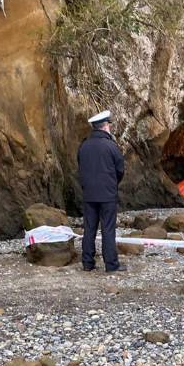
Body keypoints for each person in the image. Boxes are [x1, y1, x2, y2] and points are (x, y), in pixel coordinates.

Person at [77, 110, 125, 272]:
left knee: (89, 229)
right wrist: (112, 184)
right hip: (107, 195)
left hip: (89, 194)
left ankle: (87, 263)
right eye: (109, 125)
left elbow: (80, 168)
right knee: (108, 229)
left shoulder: (83, 146)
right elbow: (120, 170)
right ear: (105, 126)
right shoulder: (111, 146)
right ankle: (111, 265)